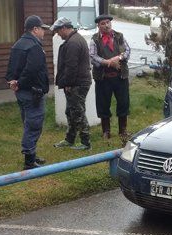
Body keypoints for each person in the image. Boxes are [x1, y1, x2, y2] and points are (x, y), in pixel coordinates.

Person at [6, 15, 50, 169]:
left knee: (28, 123)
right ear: (35, 29)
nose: (44, 32)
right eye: (42, 29)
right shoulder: (34, 46)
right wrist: (19, 82)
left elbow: (11, 67)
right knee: (34, 124)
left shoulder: (18, 44)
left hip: (22, 92)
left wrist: (12, 81)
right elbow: (32, 70)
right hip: (32, 92)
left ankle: (32, 154)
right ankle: (29, 162)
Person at [51, 17, 93, 150]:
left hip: (77, 83)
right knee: (70, 111)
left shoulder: (73, 43)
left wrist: (68, 83)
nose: (57, 34)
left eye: (58, 31)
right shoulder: (75, 39)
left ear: (64, 28)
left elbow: (71, 67)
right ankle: (70, 139)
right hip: (78, 82)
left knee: (78, 112)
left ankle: (85, 143)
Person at [89, 14, 131, 142]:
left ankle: (122, 131)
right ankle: (106, 132)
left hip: (120, 77)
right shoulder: (94, 39)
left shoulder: (119, 36)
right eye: (103, 23)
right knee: (103, 104)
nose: (106, 25)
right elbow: (92, 56)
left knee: (123, 103)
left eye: (108, 22)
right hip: (103, 78)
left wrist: (117, 58)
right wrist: (107, 62)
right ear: (98, 26)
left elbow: (128, 51)